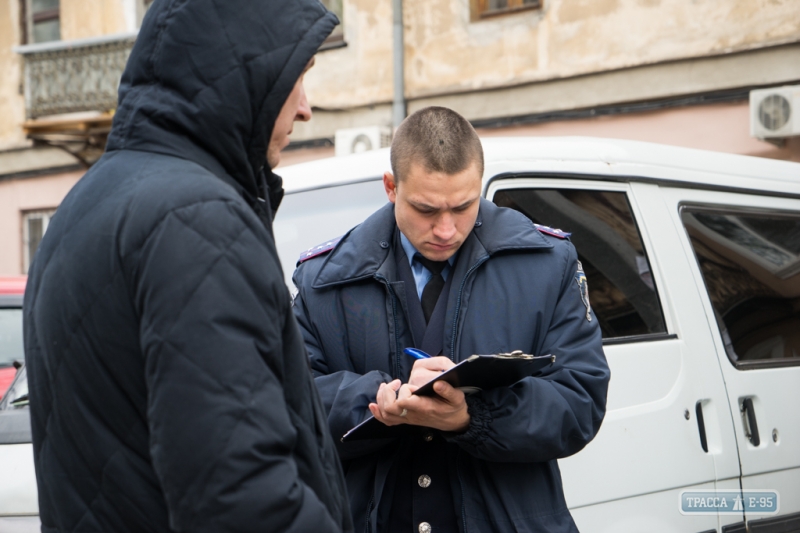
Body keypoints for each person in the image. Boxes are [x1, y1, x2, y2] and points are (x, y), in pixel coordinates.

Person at [23, 1, 353, 532]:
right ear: (245, 70)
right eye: (297, 77)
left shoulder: (89, 201)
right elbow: (242, 499)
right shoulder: (196, 219)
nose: (306, 108)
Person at [292, 106, 610, 532]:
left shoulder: (547, 263)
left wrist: (472, 417)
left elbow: (580, 402)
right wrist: (374, 401)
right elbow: (285, 404)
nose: (446, 229)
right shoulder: (323, 280)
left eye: (463, 207)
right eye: (426, 210)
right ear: (391, 187)